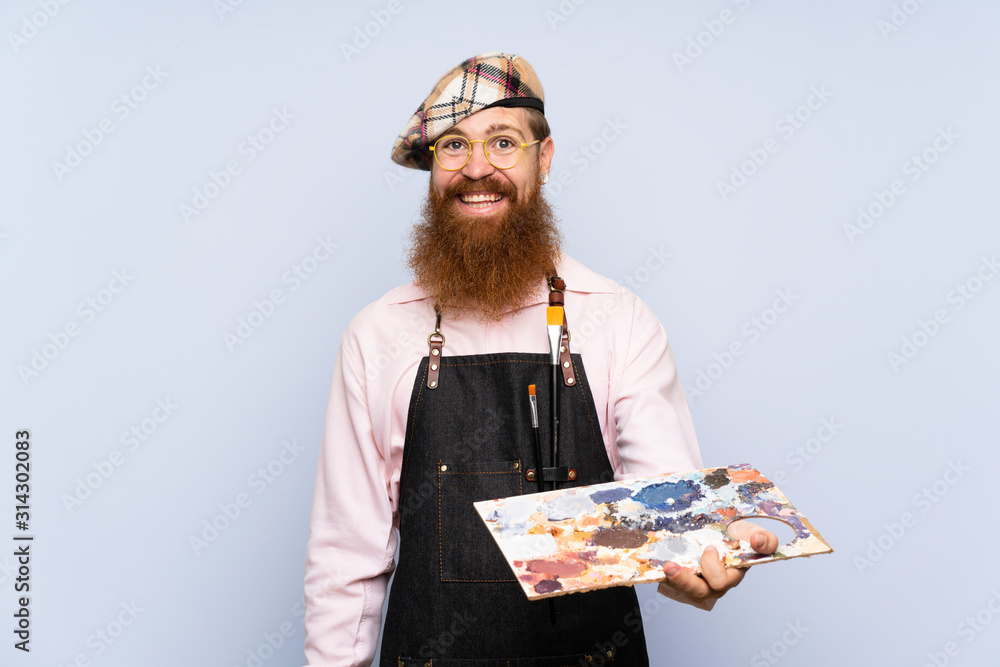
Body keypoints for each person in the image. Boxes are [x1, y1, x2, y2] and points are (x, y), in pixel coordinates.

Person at [303, 52, 777, 666]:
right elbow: (347, 555)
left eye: (503, 142)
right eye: (454, 145)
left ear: (544, 158)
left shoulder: (618, 320)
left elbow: (668, 502)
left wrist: (703, 554)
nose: (477, 169)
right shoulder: (378, 334)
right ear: (434, 167)